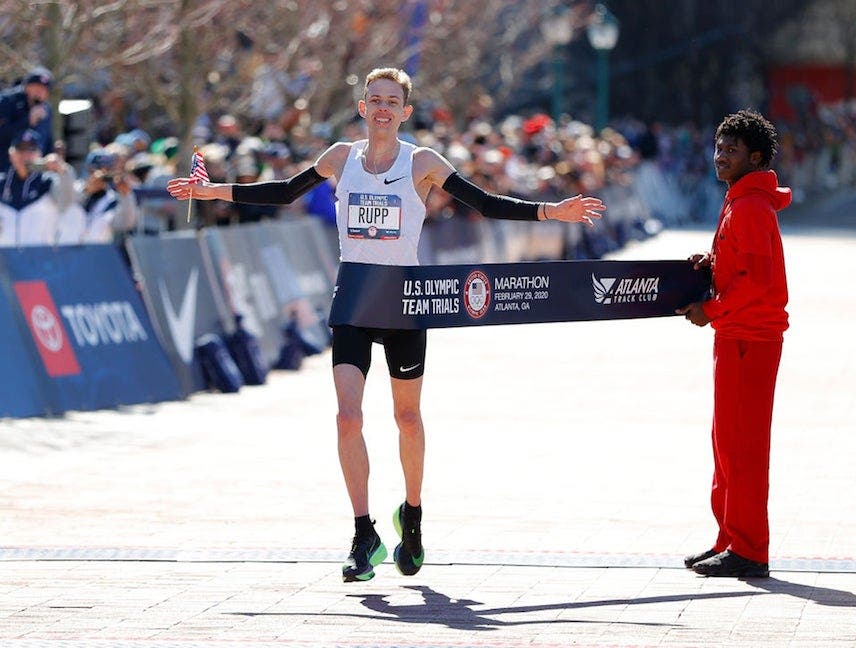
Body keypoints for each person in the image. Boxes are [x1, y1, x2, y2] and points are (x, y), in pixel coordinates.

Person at [167, 67, 605, 583]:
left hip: (404, 300)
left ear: (404, 111)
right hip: (354, 295)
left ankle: (413, 516)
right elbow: (285, 191)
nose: (381, 108)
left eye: (390, 101)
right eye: (373, 99)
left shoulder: (422, 161)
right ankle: (362, 533)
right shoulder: (339, 157)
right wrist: (213, 192)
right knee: (347, 417)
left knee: (407, 418)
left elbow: (483, 203)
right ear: (362, 107)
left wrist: (551, 211)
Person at [676, 109, 791, 578]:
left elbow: (758, 283)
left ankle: (750, 549)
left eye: (732, 150)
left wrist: (712, 309)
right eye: (719, 147)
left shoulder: (749, 206)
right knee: (725, 443)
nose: (721, 156)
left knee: (742, 446)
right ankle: (730, 538)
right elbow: (740, 267)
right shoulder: (739, 200)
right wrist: (713, 263)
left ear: (756, 157)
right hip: (737, 336)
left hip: (750, 336)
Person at [0, 128, 75, 246]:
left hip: (41, 260)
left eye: (31, 150)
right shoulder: (2, 183)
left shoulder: (50, 181)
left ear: (39, 154)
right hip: (6, 260)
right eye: (20, 149)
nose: (25, 155)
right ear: (11, 154)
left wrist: (62, 170)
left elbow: (67, 202)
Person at [0, 67, 54, 173]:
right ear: (26, 86)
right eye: (37, 87)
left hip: (33, 170)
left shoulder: (46, 109)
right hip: (5, 169)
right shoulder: (7, 102)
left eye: (44, 89)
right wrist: (27, 120)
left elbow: (47, 139)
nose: (40, 92)